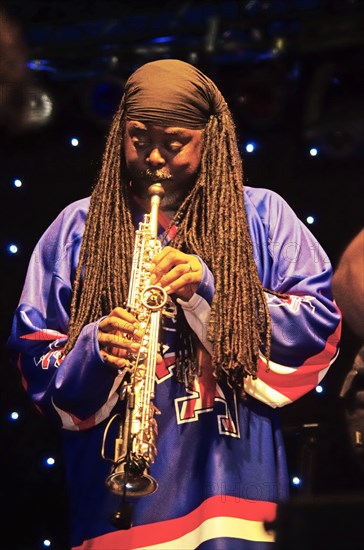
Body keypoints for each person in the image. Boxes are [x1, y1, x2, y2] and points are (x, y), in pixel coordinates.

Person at [8, 59, 341, 550]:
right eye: (139, 140)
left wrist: (210, 291)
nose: (155, 158)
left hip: (234, 490)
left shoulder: (263, 214)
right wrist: (93, 346)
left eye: (175, 142)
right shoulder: (77, 228)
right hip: (118, 507)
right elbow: (33, 353)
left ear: (211, 138)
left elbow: (317, 326)